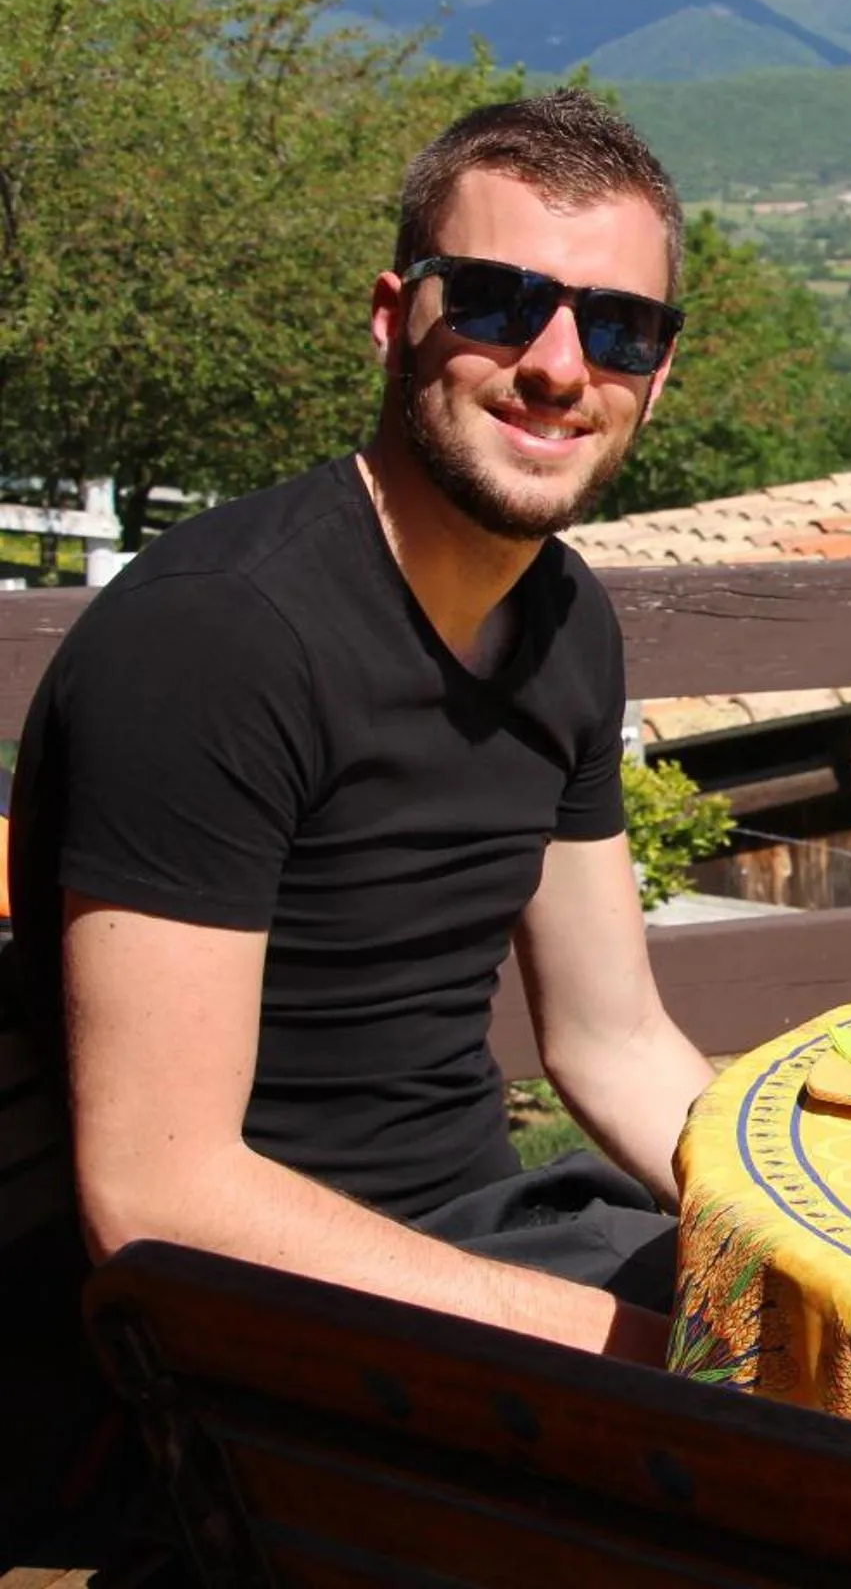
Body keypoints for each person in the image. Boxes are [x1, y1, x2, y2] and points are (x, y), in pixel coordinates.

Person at [6, 92, 716, 1544]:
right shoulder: (220, 642)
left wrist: (821, 1235)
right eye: (504, 303)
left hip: (465, 1250)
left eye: (619, 328)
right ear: (395, 316)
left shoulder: (562, 621)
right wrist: (619, 1361)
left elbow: (611, 1038)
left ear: (662, 371)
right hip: (206, 1364)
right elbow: (157, 1195)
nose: (558, 366)